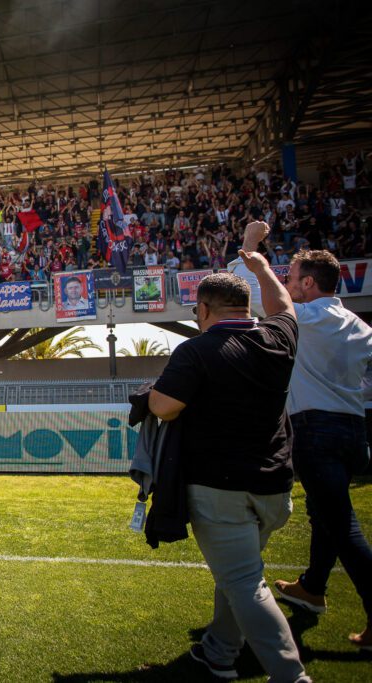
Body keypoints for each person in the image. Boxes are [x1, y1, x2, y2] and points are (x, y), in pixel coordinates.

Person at [148, 222, 310, 682]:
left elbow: (163, 406)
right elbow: (283, 306)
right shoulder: (279, 337)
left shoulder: (196, 351)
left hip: (221, 487)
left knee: (242, 581)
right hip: (275, 485)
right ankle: (219, 652)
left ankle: (291, 676)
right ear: (245, 306)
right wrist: (260, 266)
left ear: (202, 309)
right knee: (238, 574)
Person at [233, 232, 372, 650]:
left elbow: (264, 302)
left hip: (316, 430)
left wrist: (255, 256)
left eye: (291, 277)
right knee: (325, 513)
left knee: (341, 523)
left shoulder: (304, 317)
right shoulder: (361, 326)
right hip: (354, 430)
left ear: (309, 283)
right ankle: (312, 587)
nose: (286, 283)